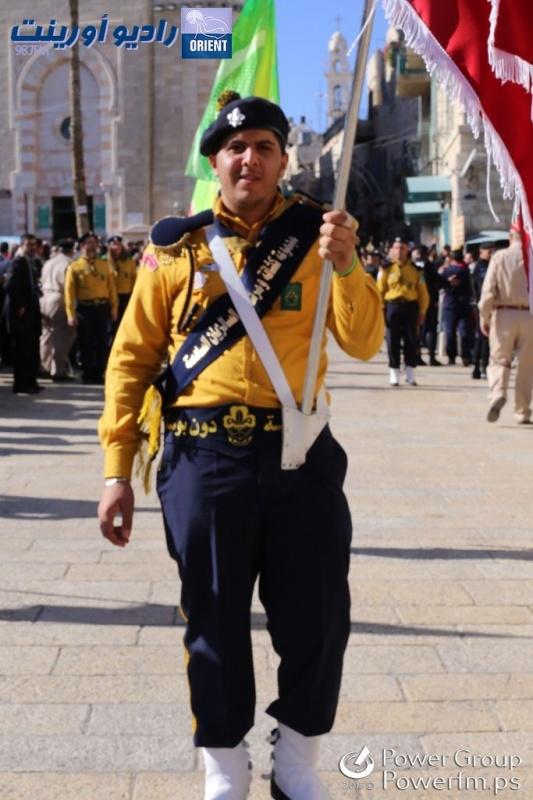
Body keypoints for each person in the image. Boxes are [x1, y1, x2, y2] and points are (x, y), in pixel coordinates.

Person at [97, 92, 384, 800]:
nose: (248, 158)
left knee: (318, 617)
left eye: (263, 146)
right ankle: (224, 762)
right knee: (214, 617)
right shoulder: (175, 248)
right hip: (204, 458)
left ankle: (297, 756)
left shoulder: (319, 234)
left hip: (299, 455)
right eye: (234, 148)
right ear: (214, 164)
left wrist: (348, 266)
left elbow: (362, 340)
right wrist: (116, 471)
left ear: (283, 160)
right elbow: (131, 361)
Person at [478, 226, 533, 423]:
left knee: (499, 359)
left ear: (511, 237)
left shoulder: (499, 257)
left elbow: (488, 290)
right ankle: (522, 411)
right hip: (529, 314)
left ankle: (498, 393)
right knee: (527, 366)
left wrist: (484, 316)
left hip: (504, 313)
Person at [64, 232, 118, 384]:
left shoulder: (104, 265)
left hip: (102, 308)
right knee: (86, 342)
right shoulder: (74, 267)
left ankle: (99, 373)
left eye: (94, 242)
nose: (92, 246)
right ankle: (87, 373)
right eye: (89, 242)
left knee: (102, 342)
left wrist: (114, 309)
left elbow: (112, 289)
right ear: (82, 246)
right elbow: (69, 292)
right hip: (85, 309)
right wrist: (70, 314)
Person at [377, 237, 429, 386]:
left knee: (411, 340)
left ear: (407, 251)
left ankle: (410, 371)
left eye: (402, 248)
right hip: (392, 306)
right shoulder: (386, 269)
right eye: (396, 248)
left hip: (410, 307)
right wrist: (381, 310)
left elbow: (423, 293)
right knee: (392, 340)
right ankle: (394, 371)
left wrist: (422, 311)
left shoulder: (416, 270)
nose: (399, 251)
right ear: (392, 251)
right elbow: (379, 291)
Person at [4, 233, 43, 394]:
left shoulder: (31, 262)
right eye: (29, 245)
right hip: (22, 314)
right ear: (22, 245)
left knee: (32, 348)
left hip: (32, 311)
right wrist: (20, 305)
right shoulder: (18, 262)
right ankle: (21, 384)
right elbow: (10, 285)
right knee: (22, 350)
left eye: (34, 245)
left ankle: (31, 381)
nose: (32, 248)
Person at [39, 238, 76, 382]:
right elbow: (68, 286)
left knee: (46, 335)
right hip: (59, 298)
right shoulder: (69, 263)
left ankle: (44, 367)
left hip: (44, 297)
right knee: (62, 336)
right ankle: (58, 371)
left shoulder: (49, 262)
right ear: (71, 250)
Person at [439, 248, 473, 366]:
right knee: (464, 331)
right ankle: (466, 356)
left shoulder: (447, 270)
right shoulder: (466, 270)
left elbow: (440, 283)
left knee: (450, 332)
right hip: (464, 303)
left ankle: (451, 357)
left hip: (449, 304)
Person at [471, 244, 493, 379]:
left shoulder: (489, 265)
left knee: (482, 338)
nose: (491, 253)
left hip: (487, 305)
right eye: (488, 251)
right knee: (484, 337)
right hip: (483, 306)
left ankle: (478, 368)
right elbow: (481, 287)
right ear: (481, 252)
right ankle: (482, 367)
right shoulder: (481, 267)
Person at [107, 234, 138, 327]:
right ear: (109, 247)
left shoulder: (129, 261)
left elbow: (134, 278)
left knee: (126, 321)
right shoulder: (104, 261)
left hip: (126, 295)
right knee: (112, 323)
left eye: (118, 244)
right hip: (110, 296)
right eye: (114, 244)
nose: (116, 247)